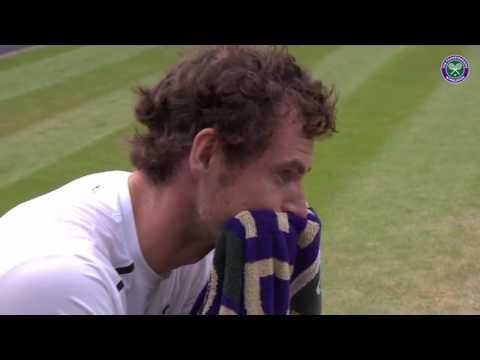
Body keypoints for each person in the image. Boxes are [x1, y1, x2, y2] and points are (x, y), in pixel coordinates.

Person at [0, 45, 336, 315]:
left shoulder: (197, 251)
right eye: (284, 175)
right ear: (207, 154)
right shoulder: (59, 283)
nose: (299, 208)